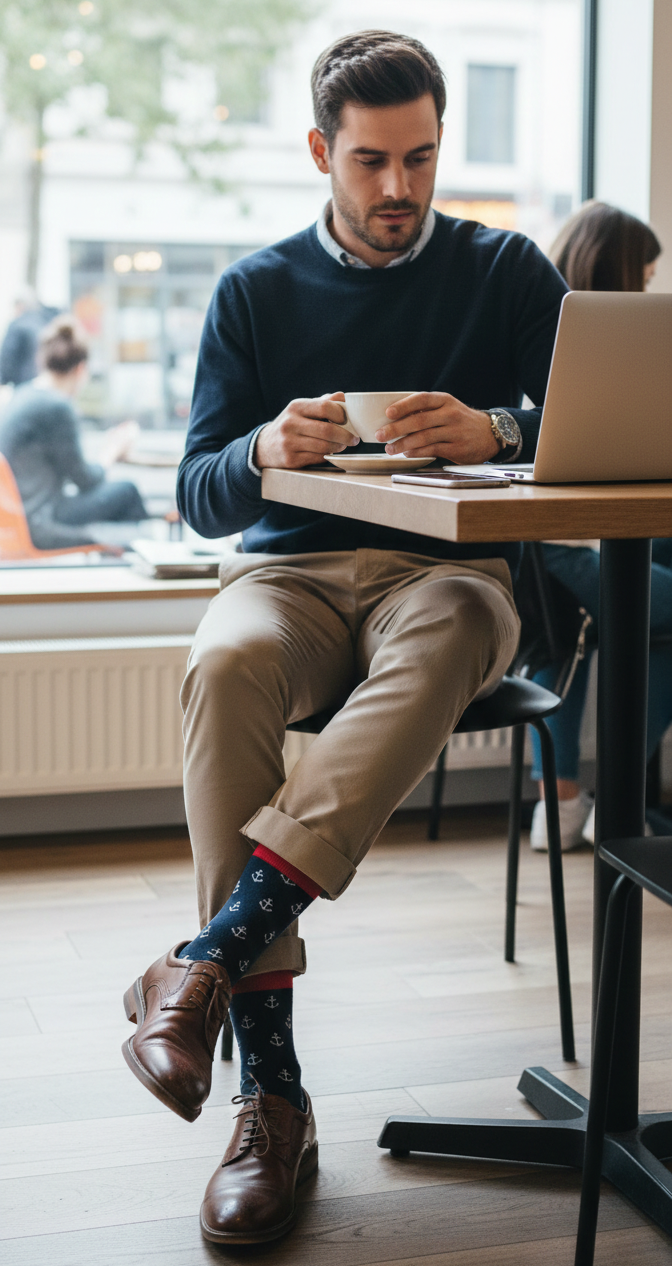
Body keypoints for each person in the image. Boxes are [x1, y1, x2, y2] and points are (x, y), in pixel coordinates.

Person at [120, 30, 568, 1246]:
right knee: (224, 660)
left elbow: (591, 434)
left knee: (446, 631)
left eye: (421, 159)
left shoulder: (511, 271)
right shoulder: (255, 291)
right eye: (371, 162)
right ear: (323, 152)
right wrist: (265, 448)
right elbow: (200, 491)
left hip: (453, 576)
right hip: (295, 572)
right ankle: (275, 1090)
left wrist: (498, 425)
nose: (399, 190)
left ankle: (205, 971)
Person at [529, 200, 668, 851]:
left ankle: (568, 804)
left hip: (574, 543)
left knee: (636, 629)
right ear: (616, 272)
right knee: (648, 626)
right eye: (641, 277)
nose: (647, 291)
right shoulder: (553, 338)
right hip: (563, 546)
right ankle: (620, 806)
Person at [0, 316, 148, 551]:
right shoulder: (56, 407)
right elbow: (85, 481)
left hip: (21, 516)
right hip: (41, 522)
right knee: (127, 492)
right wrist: (111, 452)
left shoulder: (23, 395)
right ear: (81, 369)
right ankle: (139, 568)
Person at [0, 287, 59, 387]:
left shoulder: (17, 325)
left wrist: (3, 380)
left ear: (20, 306)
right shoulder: (47, 322)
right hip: (47, 383)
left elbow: (7, 360)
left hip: (23, 385)